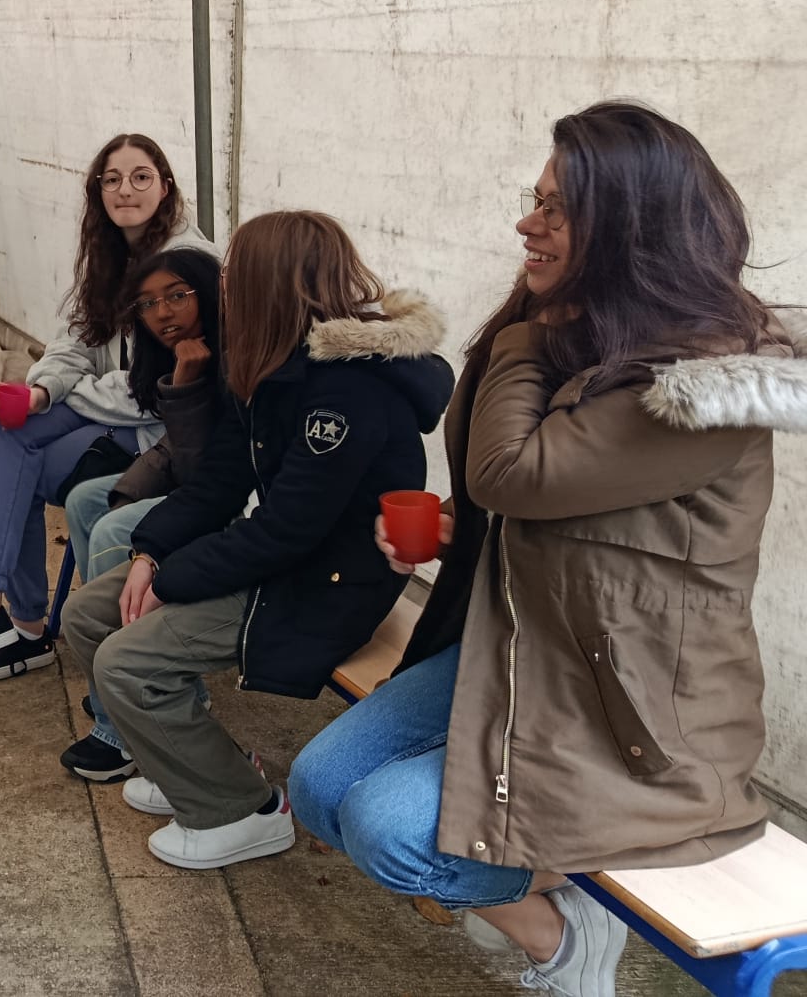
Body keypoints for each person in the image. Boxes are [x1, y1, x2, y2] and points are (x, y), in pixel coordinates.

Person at [289, 103, 801, 997]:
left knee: (389, 829)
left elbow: (513, 473)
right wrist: (461, 532)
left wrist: (532, 327)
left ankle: (562, 943)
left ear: (632, 225)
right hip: (530, 645)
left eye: (557, 209)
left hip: (633, 707)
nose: (528, 224)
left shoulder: (703, 387)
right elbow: (535, 500)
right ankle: (552, 904)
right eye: (535, 201)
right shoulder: (594, 336)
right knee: (318, 783)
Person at [62, 211, 452, 872]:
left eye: (234, 273)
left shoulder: (347, 390)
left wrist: (172, 580)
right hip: (287, 563)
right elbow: (219, 481)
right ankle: (189, 763)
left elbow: (288, 529)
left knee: (127, 664)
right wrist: (151, 552)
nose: (223, 286)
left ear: (273, 284)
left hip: (330, 587)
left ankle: (242, 811)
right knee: (88, 615)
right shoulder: (275, 364)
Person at [0, 133, 206, 680]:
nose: (126, 190)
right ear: (98, 190)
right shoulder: (108, 255)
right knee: (4, 427)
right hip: (108, 408)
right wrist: (42, 391)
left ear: (166, 186)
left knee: (17, 468)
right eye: (112, 179)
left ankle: (24, 628)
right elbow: (75, 339)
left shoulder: (188, 265)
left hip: (161, 431)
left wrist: (67, 394)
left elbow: (160, 387)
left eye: (141, 177)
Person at [56, 246, 225, 782]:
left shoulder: (229, 351)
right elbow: (174, 447)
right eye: (148, 303)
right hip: (198, 486)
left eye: (177, 296)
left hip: (229, 503)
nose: (162, 313)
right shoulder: (176, 353)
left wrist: (188, 384)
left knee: (114, 529)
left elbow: (204, 470)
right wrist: (126, 493)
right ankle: (125, 684)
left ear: (209, 292)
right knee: (88, 499)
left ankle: (122, 721)